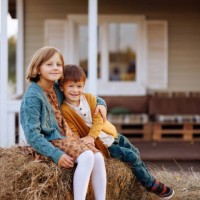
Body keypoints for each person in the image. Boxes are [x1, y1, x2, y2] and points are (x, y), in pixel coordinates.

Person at [60, 64, 175, 200]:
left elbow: (99, 119)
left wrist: (92, 135)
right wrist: (90, 138)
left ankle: (141, 179)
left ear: (84, 86)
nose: (75, 90)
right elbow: (73, 131)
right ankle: (150, 185)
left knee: (135, 152)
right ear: (62, 87)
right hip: (105, 145)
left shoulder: (89, 99)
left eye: (79, 86)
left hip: (112, 135)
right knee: (131, 156)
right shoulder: (65, 110)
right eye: (71, 86)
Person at [20, 47, 107, 200]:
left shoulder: (56, 88)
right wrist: (56, 155)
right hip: (49, 142)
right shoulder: (33, 96)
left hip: (66, 137)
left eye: (58, 64)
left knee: (98, 157)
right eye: (49, 64)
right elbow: (32, 135)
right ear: (38, 68)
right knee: (87, 157)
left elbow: (80, 94)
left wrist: (101, 103)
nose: (55, 68)